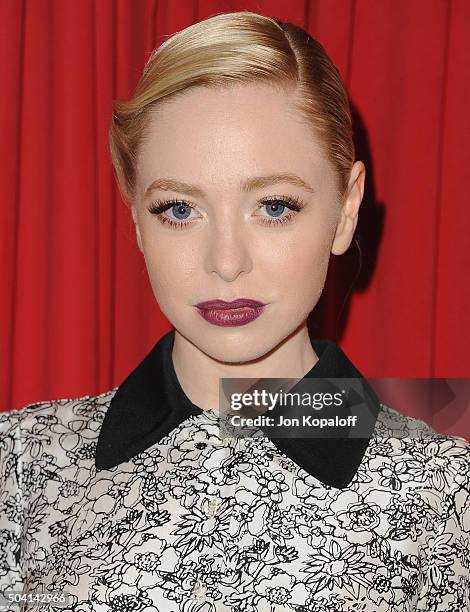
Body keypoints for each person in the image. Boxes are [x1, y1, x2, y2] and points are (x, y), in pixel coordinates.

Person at [1, 10, 469, 612]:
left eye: (274, 206)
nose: (225, 263)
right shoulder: (21, 462)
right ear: (134, 218)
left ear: (346, 210)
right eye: (178, 209)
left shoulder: (448, 488)